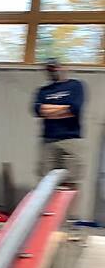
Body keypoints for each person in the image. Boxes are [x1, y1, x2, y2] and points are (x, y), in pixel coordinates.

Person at [33, 59, 86, 194]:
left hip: (70, 139)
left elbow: (74, 109)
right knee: (46, 180)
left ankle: (67, 214)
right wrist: (63, 109)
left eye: (55, 67)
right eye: (49, 69)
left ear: (63, 68)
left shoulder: (75, 85)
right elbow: (38, 110)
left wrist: (49, 111)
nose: (53, 71)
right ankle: (47, 211)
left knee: (71, 180)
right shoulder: (43, 91)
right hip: (48, 140)